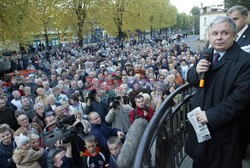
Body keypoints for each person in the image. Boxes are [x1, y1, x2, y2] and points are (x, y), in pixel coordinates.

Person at [185, 16, 250, 168]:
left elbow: (240, 99)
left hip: (224, 131)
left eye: (224, 33)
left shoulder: (245, 61)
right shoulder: (207, 53)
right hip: (200, 127)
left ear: (234, 35)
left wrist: (210, 115)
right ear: (209, 36)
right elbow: (192, 79)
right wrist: (196, 70)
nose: (219, 38)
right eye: (214, 34)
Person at [227, 5, 250, 158]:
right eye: (230, 19)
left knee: (243, 126)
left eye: (235, 19)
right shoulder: (226, 35)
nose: (232, 22)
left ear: (246, 17)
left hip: (245, 91)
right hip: (227, 91)